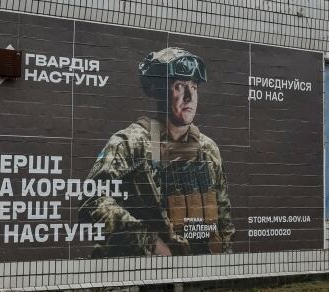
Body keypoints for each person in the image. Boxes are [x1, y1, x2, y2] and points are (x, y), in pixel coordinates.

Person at [78, 47, 235, 257]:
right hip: (138, 272)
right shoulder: (130, 143)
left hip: (198, 272)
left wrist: (224, 262)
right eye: (180, 86)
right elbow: (91, 201)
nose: (189, 97)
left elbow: (223, 216)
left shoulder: (207, 149)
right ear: (159, 90)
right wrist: (150, 242)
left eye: (194, 87)